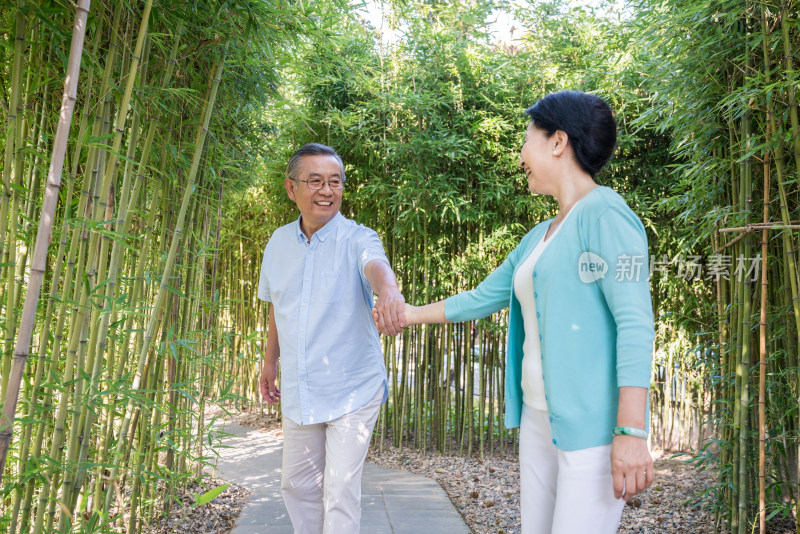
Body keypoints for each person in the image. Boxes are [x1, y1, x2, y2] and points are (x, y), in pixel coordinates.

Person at [376, 90, 655, 533]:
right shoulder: (540, 236)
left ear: (558, 141)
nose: (521, 155)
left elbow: (636, 324)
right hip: (539, 420)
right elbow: (481, 297)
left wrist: (632, 433)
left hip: (592, 431)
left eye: (527, 140)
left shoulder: (606, 214)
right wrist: (406, 314)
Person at [257, 143, 405, 534]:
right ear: (291, 188)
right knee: (297, 484)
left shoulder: (358, 237)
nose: (327, 191)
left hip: (354, 386)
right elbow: (278, 307)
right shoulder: (277, 243)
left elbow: (376, 266)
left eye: (335, 182)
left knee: (340, 489)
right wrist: (269, 362)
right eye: (315, 181)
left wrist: (388, 291)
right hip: (302, 385)